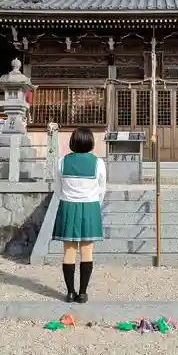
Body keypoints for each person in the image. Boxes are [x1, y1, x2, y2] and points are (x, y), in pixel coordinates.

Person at [51, 127, 106, 303]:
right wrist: (94, 203)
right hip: (90, 207)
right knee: (87, 251)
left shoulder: (61, 162)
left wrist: (68, 198)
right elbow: (102, 189)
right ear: (90, 142)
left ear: (73, 141)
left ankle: (69, 292)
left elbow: (57, 188)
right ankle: (82, 293)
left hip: (68, 206)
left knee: (69, 251)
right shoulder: (98, 163)